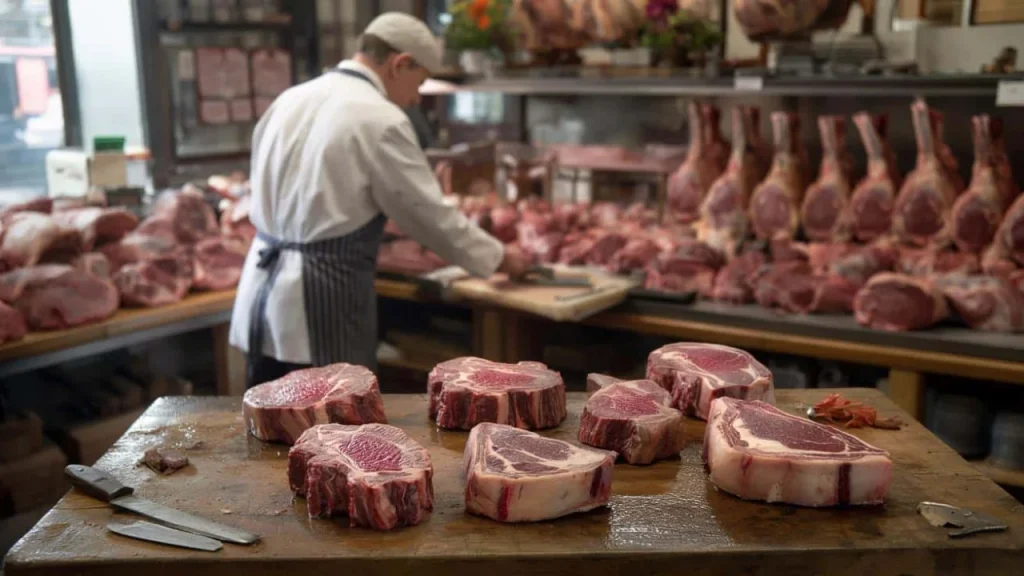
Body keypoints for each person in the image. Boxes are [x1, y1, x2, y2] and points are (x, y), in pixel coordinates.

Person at [229, 12, 531, 389]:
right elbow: (429, 217)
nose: (416, 97)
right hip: (320, 308)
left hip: (259, 296)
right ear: (399, 64)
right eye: (419, 82)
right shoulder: (380, 118)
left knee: (267, 425)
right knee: (333, 433)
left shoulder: (290, 98)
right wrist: (500, 258)